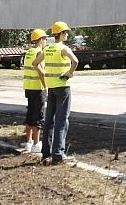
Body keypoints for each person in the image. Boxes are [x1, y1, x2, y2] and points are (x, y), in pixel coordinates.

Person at [39, 21, 79, 165]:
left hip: (51, 88)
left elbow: (35, 63)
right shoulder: (63, 48)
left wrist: (46, 75)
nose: (67, 34)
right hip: (63, 87)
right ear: (61, 34)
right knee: (62, 120)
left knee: (49, 120)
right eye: (66, 32)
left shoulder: (47, 49)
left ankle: (45, 153)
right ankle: (58, 154)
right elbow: (76, 61)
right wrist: (69, 73)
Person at [22, 29, 48, 153]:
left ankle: (28, 142)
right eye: (45, 39)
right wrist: (45, 86)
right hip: (38, 87)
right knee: (38, 115)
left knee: (30, 113)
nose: (46, 42)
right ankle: (37, 144)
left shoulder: (28, 52)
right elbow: (40, 71)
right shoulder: (39, 53)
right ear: (41, 40)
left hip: (28, 87)